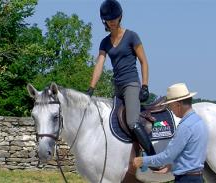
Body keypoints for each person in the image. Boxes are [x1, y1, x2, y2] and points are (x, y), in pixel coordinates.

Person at [86, 0, 156, 156]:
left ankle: (153, 157)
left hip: (131, 84)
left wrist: (144, 85)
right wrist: (91, 88)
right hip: (116, 87)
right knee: (108, 121)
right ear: (104, 21)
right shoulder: (104, 42)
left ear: (120, 17)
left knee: (132, 122)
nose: (112, 22)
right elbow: (99, 64)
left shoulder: (132, 36)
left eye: (114, 18)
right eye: (108, 20)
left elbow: (144, 61)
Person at [133, 83, 208, 183]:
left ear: (178, 105)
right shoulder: (199, 121)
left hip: (185, 179)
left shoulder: (185, 126)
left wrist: (143, 161)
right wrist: (173, 166)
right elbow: (191, 156)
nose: (171, 109)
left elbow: (167, 156)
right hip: (197, 177)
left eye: (171, 106)